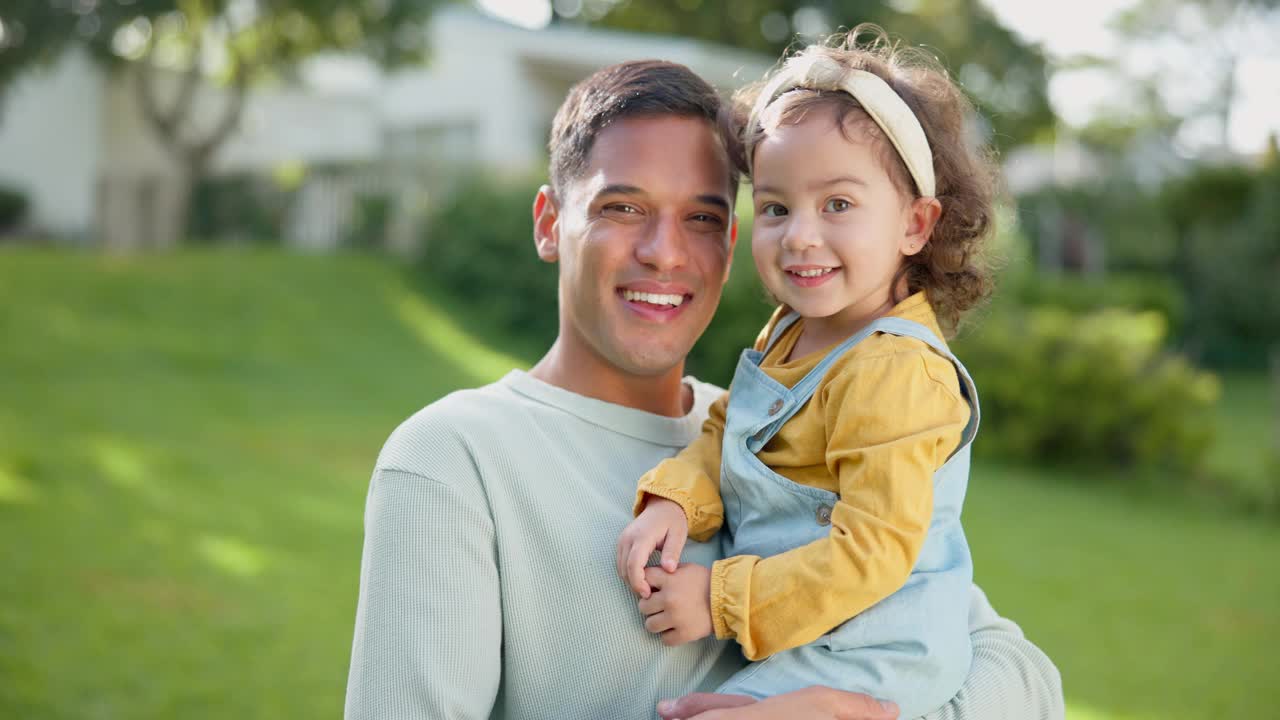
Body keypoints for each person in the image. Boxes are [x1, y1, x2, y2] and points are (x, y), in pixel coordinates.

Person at [343, 57, 1063, 720]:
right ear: (550, 224)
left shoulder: (785, 427)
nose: (664, 252)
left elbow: (1023, 677)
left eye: (703, 218)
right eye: (622, 208)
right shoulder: (455, 459)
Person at [616, 31, 995, 719]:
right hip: (809, 639)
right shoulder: (795, 328)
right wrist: (677, 497)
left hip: (873, 654)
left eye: (839, 205)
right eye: (777, 206)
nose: (800, 236)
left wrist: (716, 598)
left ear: (915, 224)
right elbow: (734, 428)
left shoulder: (895, 371)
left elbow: (872, 554)